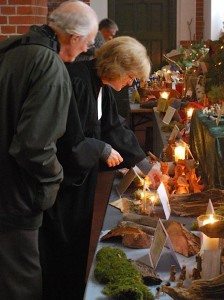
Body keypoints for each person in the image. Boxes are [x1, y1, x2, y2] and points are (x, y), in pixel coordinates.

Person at [39, 36, 162, 300]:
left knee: (78, 244)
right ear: (117, 66)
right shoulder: (79, 82)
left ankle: (73, 289)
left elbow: (112, 127)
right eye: (130, 76)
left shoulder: (101, 85)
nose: (131, 83)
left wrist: (145, 165)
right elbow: (69, 141)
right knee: (62, 246)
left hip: (82, 180)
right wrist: (101, 149)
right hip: (63, 183)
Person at [0, 1, 98, 300]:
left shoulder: (10, 48)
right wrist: (54, 179)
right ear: (74, 37)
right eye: (89, 43)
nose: (86, 51)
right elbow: (33, 147)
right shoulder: (49, 66)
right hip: (16, 197)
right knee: (22, 284)